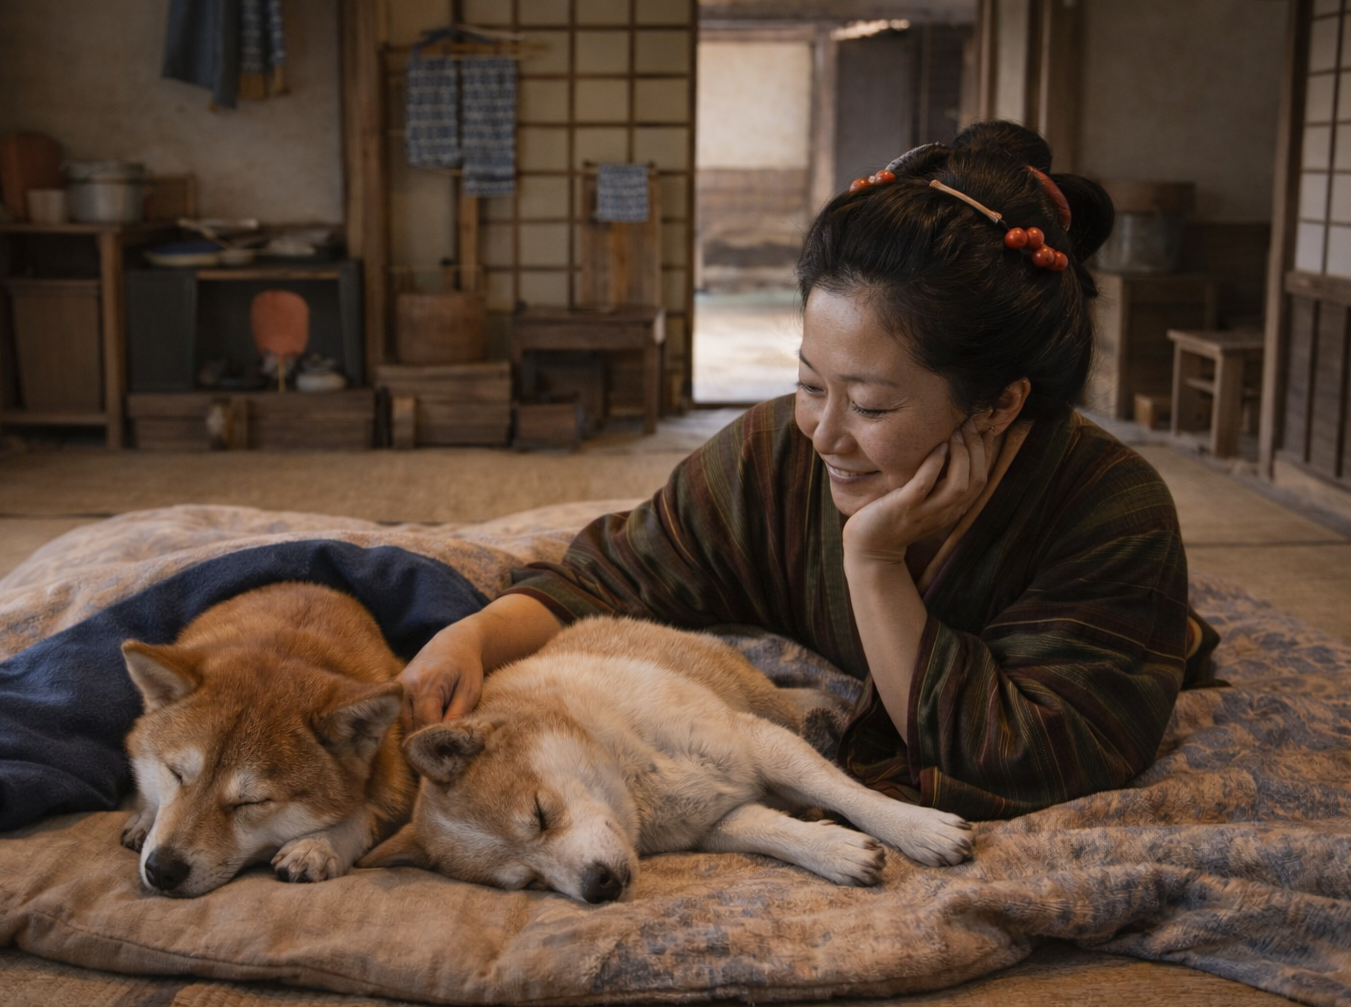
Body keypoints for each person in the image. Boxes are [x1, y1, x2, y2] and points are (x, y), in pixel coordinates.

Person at [399, 120, 1219, 821]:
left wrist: (874, 559)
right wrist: (467, 637)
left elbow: (1019, 759)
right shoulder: (775, 449)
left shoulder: (1111, 511)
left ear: (998, 405)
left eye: (869, 404)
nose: (823, 433)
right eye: (808, 382)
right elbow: (615, 575)